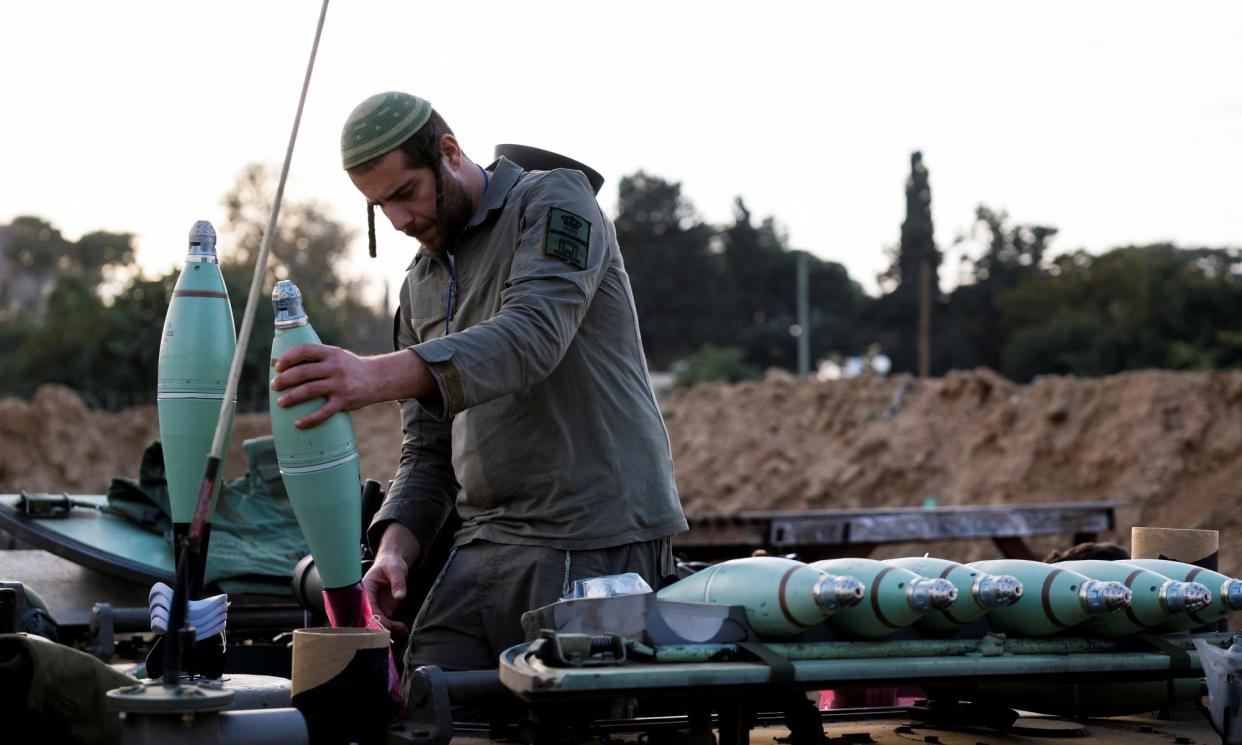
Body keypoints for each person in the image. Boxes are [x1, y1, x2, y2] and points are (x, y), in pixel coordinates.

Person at [270, 92, 688, 680]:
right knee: (425, 699)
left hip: (592, 535)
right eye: (377, 207)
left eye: (405, 192)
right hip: (487, 543)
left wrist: (373, 374)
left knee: (571, 718)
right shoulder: (419, 284)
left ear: (449, 153)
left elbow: (531, 337)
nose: (398, 221)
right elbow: (428, 452)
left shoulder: (554, 201)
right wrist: (394, 550)